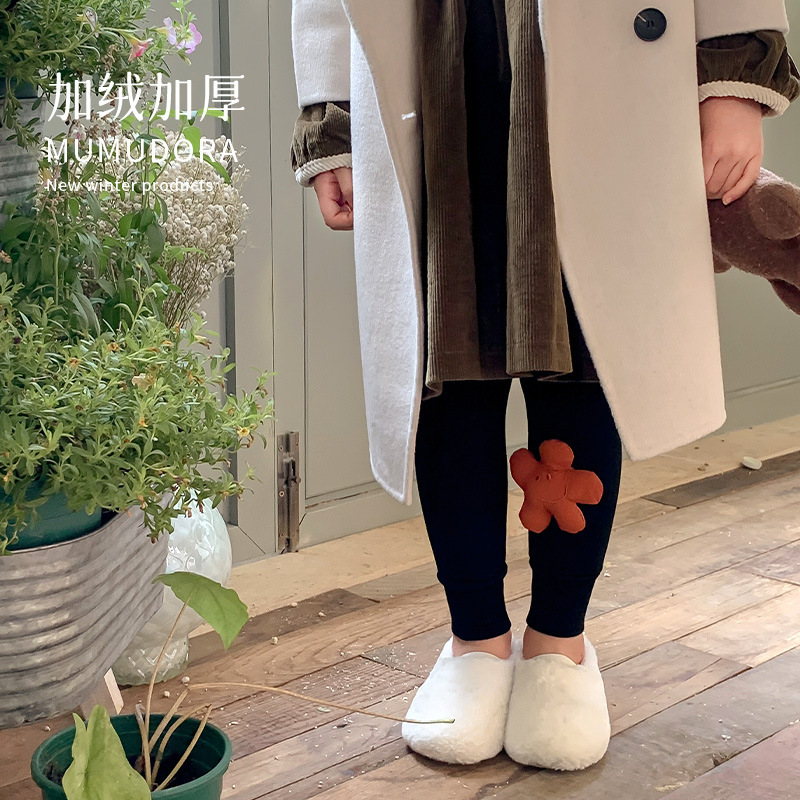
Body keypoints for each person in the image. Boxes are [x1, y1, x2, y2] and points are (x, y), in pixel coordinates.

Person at [290, 0, 800, 771]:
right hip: (436, 58)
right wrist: (334, 121)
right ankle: (475, 640)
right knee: (445, 370)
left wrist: (732, 75)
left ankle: (560, 640)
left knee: (584, 353)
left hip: (602, 55)